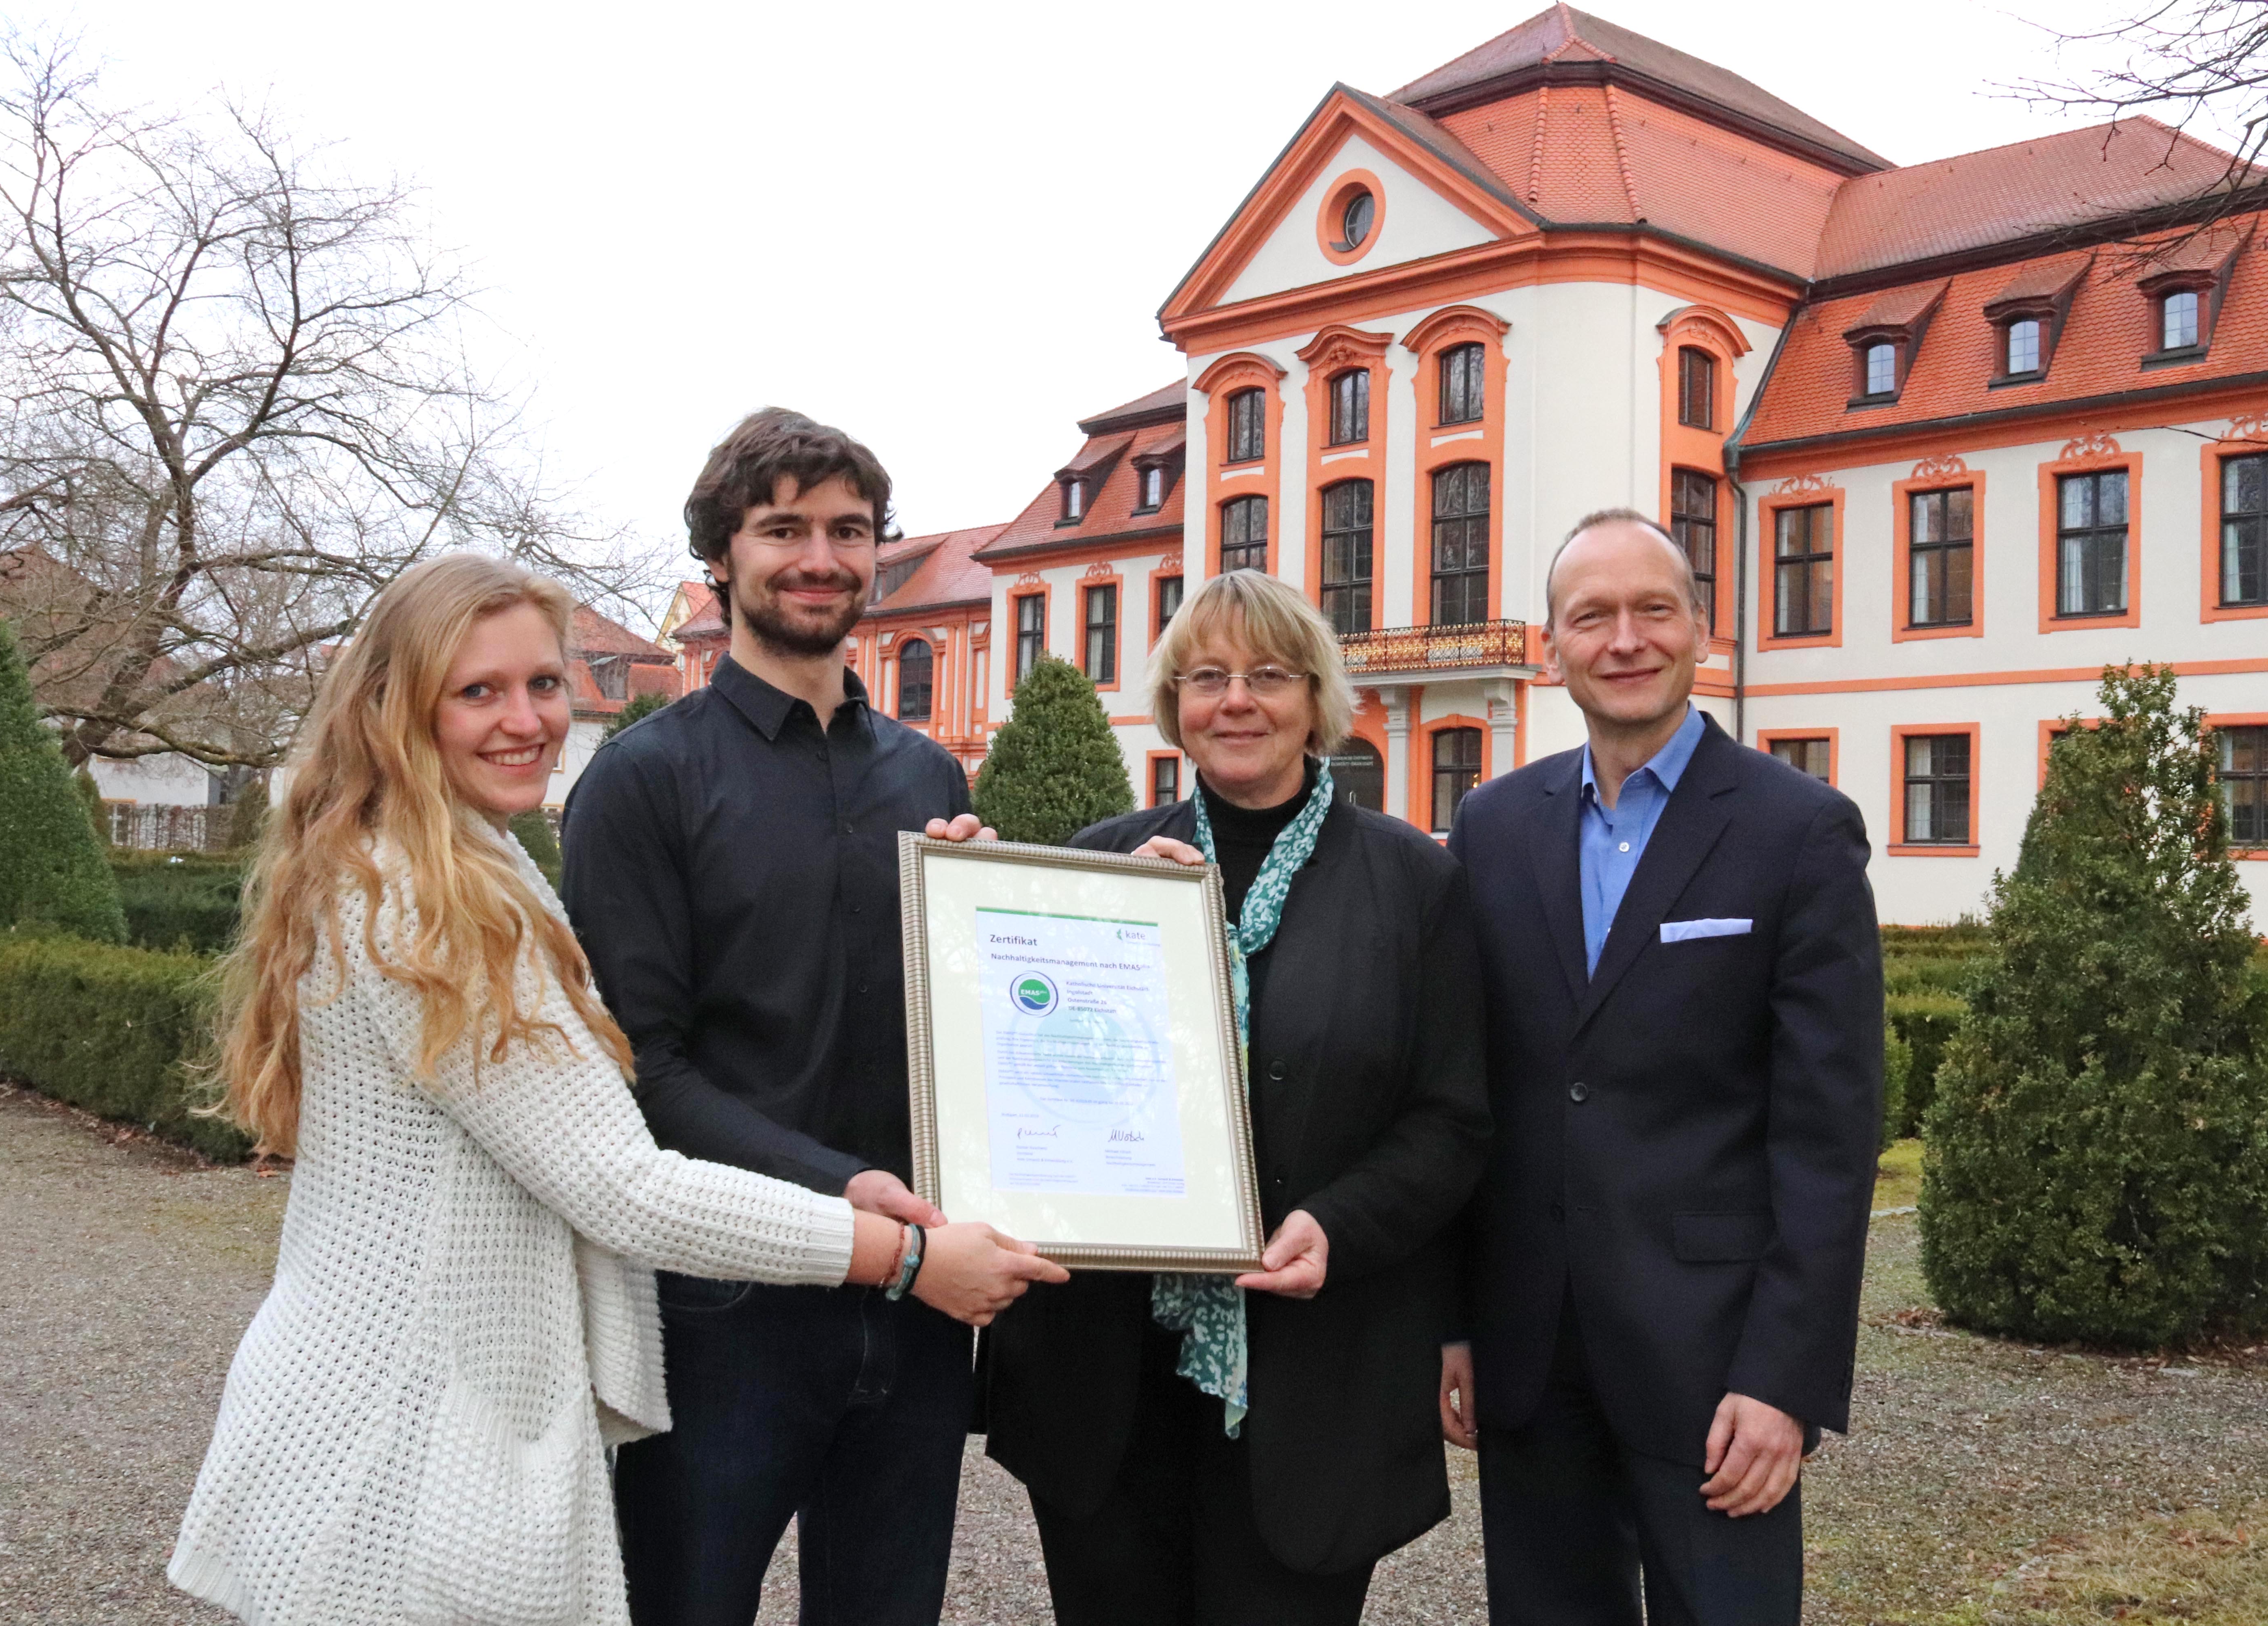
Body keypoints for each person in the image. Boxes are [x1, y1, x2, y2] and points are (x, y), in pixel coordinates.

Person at [169, 553, 1057, 1626]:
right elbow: (624, 1190)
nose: (527, 721)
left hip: (399, 1404)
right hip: (414, 1439)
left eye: (544, 684)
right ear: (397, 708)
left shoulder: (441, 858)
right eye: (478, 691)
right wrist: (903, 1258)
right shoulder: (431, 904)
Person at [557, 410, 1063, 1626]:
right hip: (723, 1303)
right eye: (783, 530)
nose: (821, 558)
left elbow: (965, 1037)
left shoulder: (930, 776)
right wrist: (846, 1196)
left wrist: (1028, 923)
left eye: (848, 530)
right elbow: (646, 1069)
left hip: (919, 1307)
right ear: (720, 556)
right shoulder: (643, 779)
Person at [981, 567, 1492, 1626]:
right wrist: (970, 907)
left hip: (1315, 1377)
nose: (1237, 701)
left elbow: (1452, 1119)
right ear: (1176, 704)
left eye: (1269, 674)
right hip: (1108, 1378)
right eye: (1207, 677)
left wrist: (1337, 1224)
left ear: (1316, 699)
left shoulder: (1412, 883)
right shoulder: (1101, 865)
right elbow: (1024, 1073)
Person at [1445, 509, 1883, 1626]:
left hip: (1714, 1354)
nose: (1625, 640)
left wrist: (1784, 1378)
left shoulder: (1798, 831)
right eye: (1592, 617)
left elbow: (1829, 1136)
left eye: (1654, 610)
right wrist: (1454, 1322)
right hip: (1530, 1347)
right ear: (1553, 649)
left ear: (1700, 629)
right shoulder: (1494, 826)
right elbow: (1467, 1094)